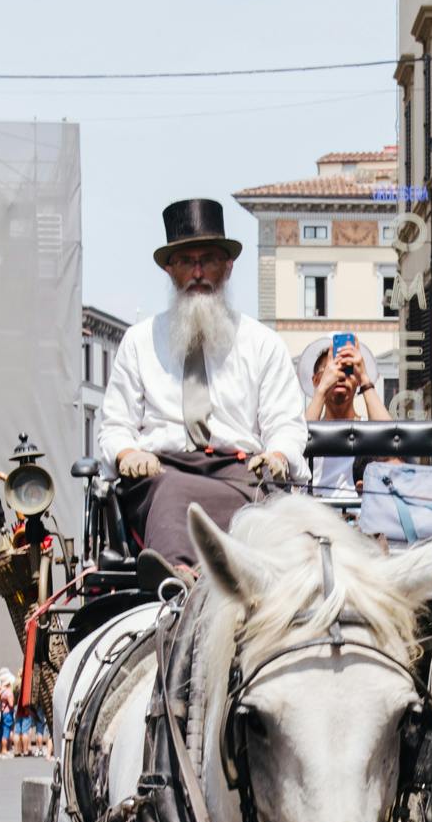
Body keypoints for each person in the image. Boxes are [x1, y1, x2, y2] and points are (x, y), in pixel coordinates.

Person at [97, 198, 308, 567]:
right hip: (162, 471)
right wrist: (127, 454)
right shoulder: (139, 341)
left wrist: (276, 455)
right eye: (186, 262)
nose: (198, 273)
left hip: (242, 472)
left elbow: (286, 424)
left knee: (264, 503)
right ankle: (177, 580)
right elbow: (115, 425)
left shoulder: (263, 343)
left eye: (208, 260)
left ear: (227, 267)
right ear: (169, 270)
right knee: (175, 491)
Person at [307, 337, 391, 496]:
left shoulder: (369, 427)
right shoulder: (309, 421)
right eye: (330, 371)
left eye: (347, 370)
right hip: (315, 516)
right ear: (316, 380)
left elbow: (391, 442)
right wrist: (322, 388)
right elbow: (297, 441)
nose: (340, 377)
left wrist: (365, 379)